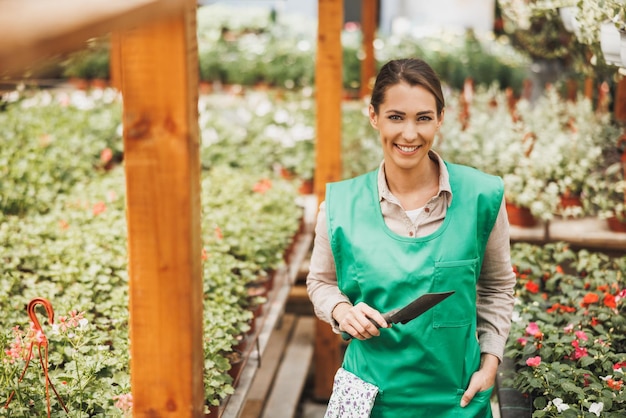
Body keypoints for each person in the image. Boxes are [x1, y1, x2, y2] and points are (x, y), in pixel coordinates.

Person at [306, 58, 516, 417]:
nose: (409, 134)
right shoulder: (340, 204)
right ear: (373, 116)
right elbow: (321, 282)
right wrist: (342, 310)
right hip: (370, 399)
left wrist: (490, 363)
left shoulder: (482, 197)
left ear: (440, 118)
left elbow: (497, 286)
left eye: (423, 118)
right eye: (395, 117)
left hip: (458, 399)